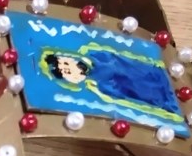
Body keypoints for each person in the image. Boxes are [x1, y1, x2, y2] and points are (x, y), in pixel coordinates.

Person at [40, 47, 181, 114]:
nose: (69, 67)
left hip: (157, 74)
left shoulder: (98, 55)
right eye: (67, 72)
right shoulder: (104, 86)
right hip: (161, 97)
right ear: (72, 79)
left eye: (66, 63)